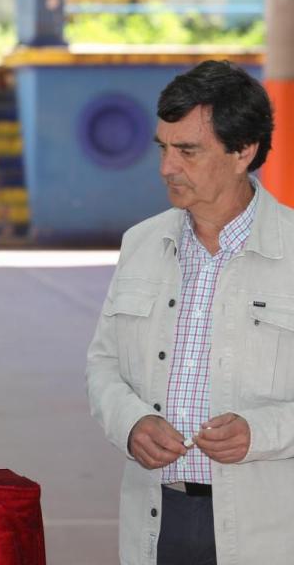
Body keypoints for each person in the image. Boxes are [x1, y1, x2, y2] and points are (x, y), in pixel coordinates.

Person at [86, 60, 292, 564]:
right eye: (163, 148)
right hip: (156, 521)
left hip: (270, 525)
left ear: (243, 151)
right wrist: (132, 423)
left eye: (188, 151)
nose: (166, 167)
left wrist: (260, 433)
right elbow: (103, 365)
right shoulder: (140, 244)